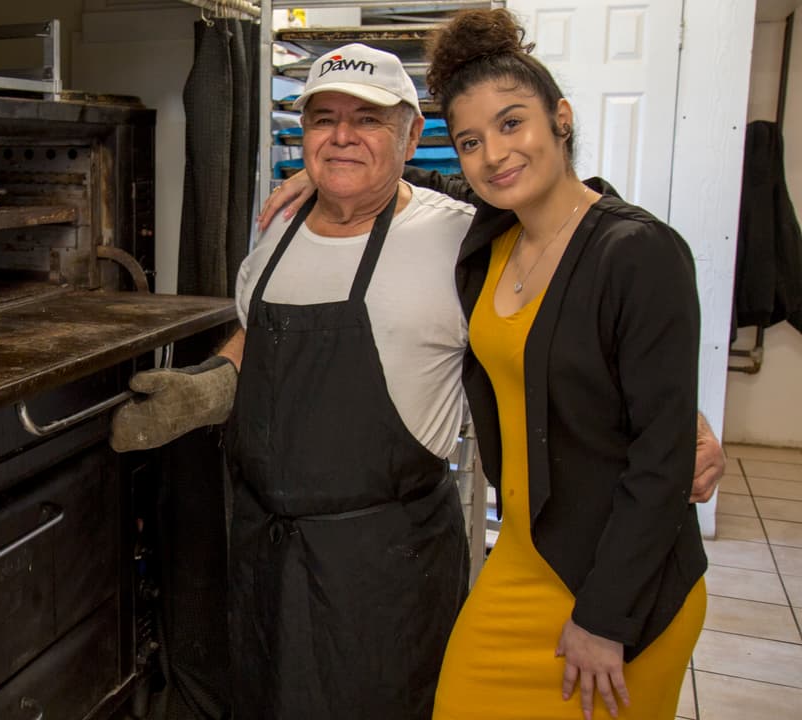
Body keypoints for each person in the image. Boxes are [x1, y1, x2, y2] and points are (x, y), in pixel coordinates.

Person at [274, 9, 704, 720]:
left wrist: (607, 618)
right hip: (525, 559)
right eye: (470, 141)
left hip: (623, 580)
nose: (494, 154)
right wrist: (322, 182)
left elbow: (663, 460)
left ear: (560, 118)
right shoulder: (490, 239)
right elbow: (400, 202)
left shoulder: (639, 252)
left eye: (513, 124)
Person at [113, 44, 477, 718]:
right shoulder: (277, 228)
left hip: (384, 566)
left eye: (367, 121)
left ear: (412, 134)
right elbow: (260, 334)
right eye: (323, 119)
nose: (341, 137)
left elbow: (578, 238)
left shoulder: (459, 241)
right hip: (266, 552)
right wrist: (210, 385)